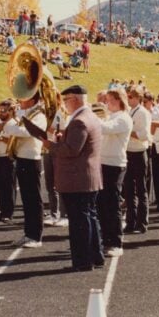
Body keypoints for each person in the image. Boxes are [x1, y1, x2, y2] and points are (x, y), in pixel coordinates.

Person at [43, 85, 104, 271]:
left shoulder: (79, 121)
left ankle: (83, 261)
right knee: (89, 217)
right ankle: (96, 256)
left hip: (78, 179)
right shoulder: (90, 116)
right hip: (87, 177)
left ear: (75, 99)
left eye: (66, 100)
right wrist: (63, 138)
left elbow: (71, 150)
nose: (64, 104)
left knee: (79, 221)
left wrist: (50, 145)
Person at [4, 92, 47, 248]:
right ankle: (29, 233)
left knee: (34, 199)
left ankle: (36, 236)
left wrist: (10, 125)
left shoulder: (39, 115)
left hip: (31, 158)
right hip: (22, 157)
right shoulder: (26, 113)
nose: (20, 100)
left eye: (24, 97)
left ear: (31, 99)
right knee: (27, 199)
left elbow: (29, 132)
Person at [98, 88, 132, 257]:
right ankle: (105, 239)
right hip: (103, 162)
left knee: (112, 205)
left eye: (110, 100)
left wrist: (89, 116)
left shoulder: (124, 118)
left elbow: (105, 129)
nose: (106, 103)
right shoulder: (110, 116)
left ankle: (116, 242)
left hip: (114, 164)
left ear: (119, 101)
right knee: (102, 205)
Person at [123, 85, 151, 234]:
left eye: (131, 97)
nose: (128, 99)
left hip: (139, 152)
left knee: (141, 188)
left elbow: (144, 135)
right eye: (128, 96)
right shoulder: (128, 111)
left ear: (138, 98)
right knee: (128, 189)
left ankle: (142, 222)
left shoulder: (143, 113)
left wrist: (127, 131)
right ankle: (130, 221)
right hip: (128, 152)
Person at [0, 100, 17, 223]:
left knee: (8, 186)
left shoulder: (13, 124)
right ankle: (2, 210)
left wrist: (0, 138)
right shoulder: (0, 123)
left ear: (11, 111)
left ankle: (8, 212)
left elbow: (14, 142)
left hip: (8, 158)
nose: (1, 113)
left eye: (4, 110)